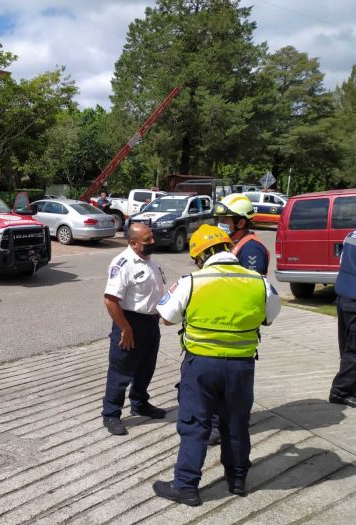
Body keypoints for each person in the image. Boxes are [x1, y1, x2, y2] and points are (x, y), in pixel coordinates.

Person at [153, 224, 281, 506]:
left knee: (195, 424)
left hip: (201, 366)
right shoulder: (259, 282)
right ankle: (237, 479)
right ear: (227, 248)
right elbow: (269, 318)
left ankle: (186, 486)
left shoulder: (191, 281)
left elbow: (166, 317)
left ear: (201, 256)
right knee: (236, 423)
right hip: (241, 367)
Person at [209, 192, 270, 445]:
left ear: (241, 222)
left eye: (225, 219)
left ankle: (225, 427)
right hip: (225, 323)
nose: (221, 223)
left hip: (238, 328)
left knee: (233, 384)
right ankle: (221, 423)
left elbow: (251, 289)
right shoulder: (234, 244)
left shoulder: (251, 248)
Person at [102, 222, 167, 436]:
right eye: (148, 240)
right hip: (129, 323)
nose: (153, 242)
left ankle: (139, 403)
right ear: (133, 243)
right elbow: (110, 300)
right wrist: (125, 329)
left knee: (146, 367)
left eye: (152, 237)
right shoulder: (123, 263)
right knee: (121, 370)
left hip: (150, 323)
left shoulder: (151, 261)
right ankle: (111, 413)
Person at [329, 230, 356, 407]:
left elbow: (342, 262)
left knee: (348, 346)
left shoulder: (352, 236)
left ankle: (352, 385)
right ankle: (340, 391)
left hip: (345, 297)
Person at [213, 193, 269, 275]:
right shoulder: (231, 243)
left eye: (223, 219)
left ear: (241, 223)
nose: (219, 223)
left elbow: (252, 281)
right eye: (219, 219)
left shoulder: (251, 249)